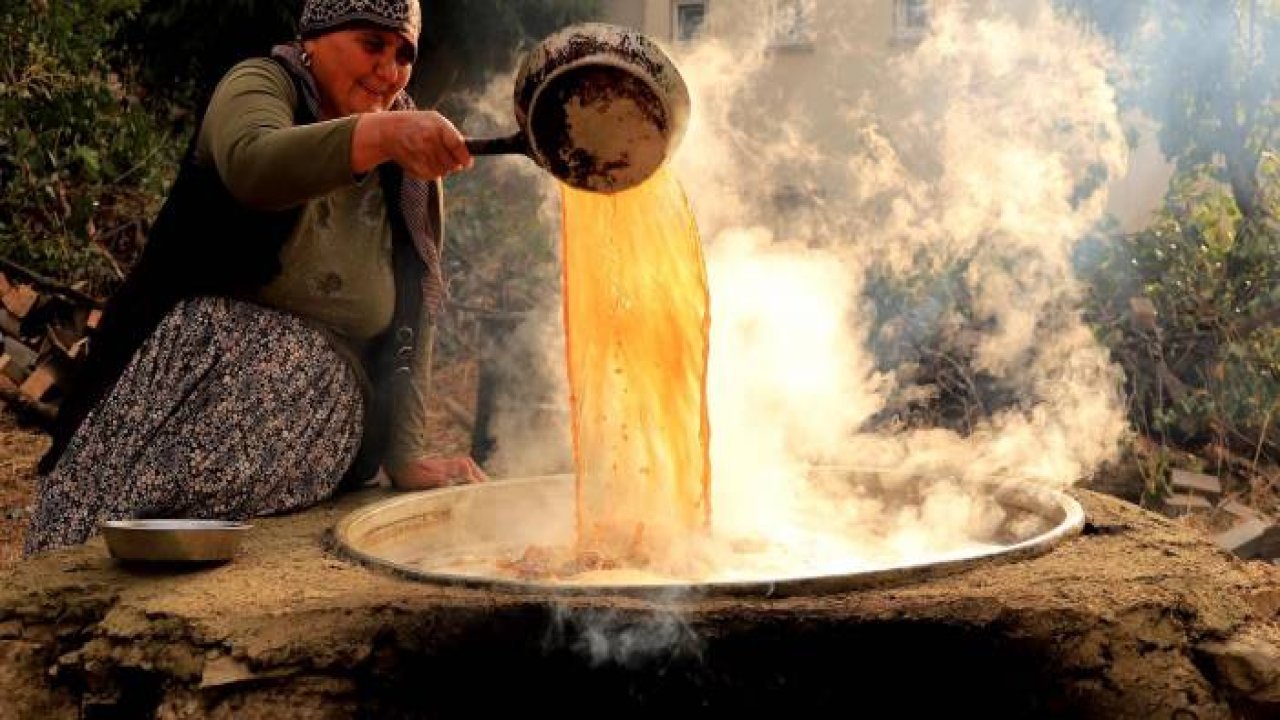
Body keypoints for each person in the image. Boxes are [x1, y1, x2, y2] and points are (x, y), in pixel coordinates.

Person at [25, 0, 487, 556]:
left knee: (302, 370)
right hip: (178, 383)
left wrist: (406, 454)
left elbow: (418, 303)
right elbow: (253, 165)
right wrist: (380, 135)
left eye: (403, 55)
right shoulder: (262, 85)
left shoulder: (409, 168)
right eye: (372, 45)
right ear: (314, 40)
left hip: (318, 414)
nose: (389, 72)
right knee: (89, 543)